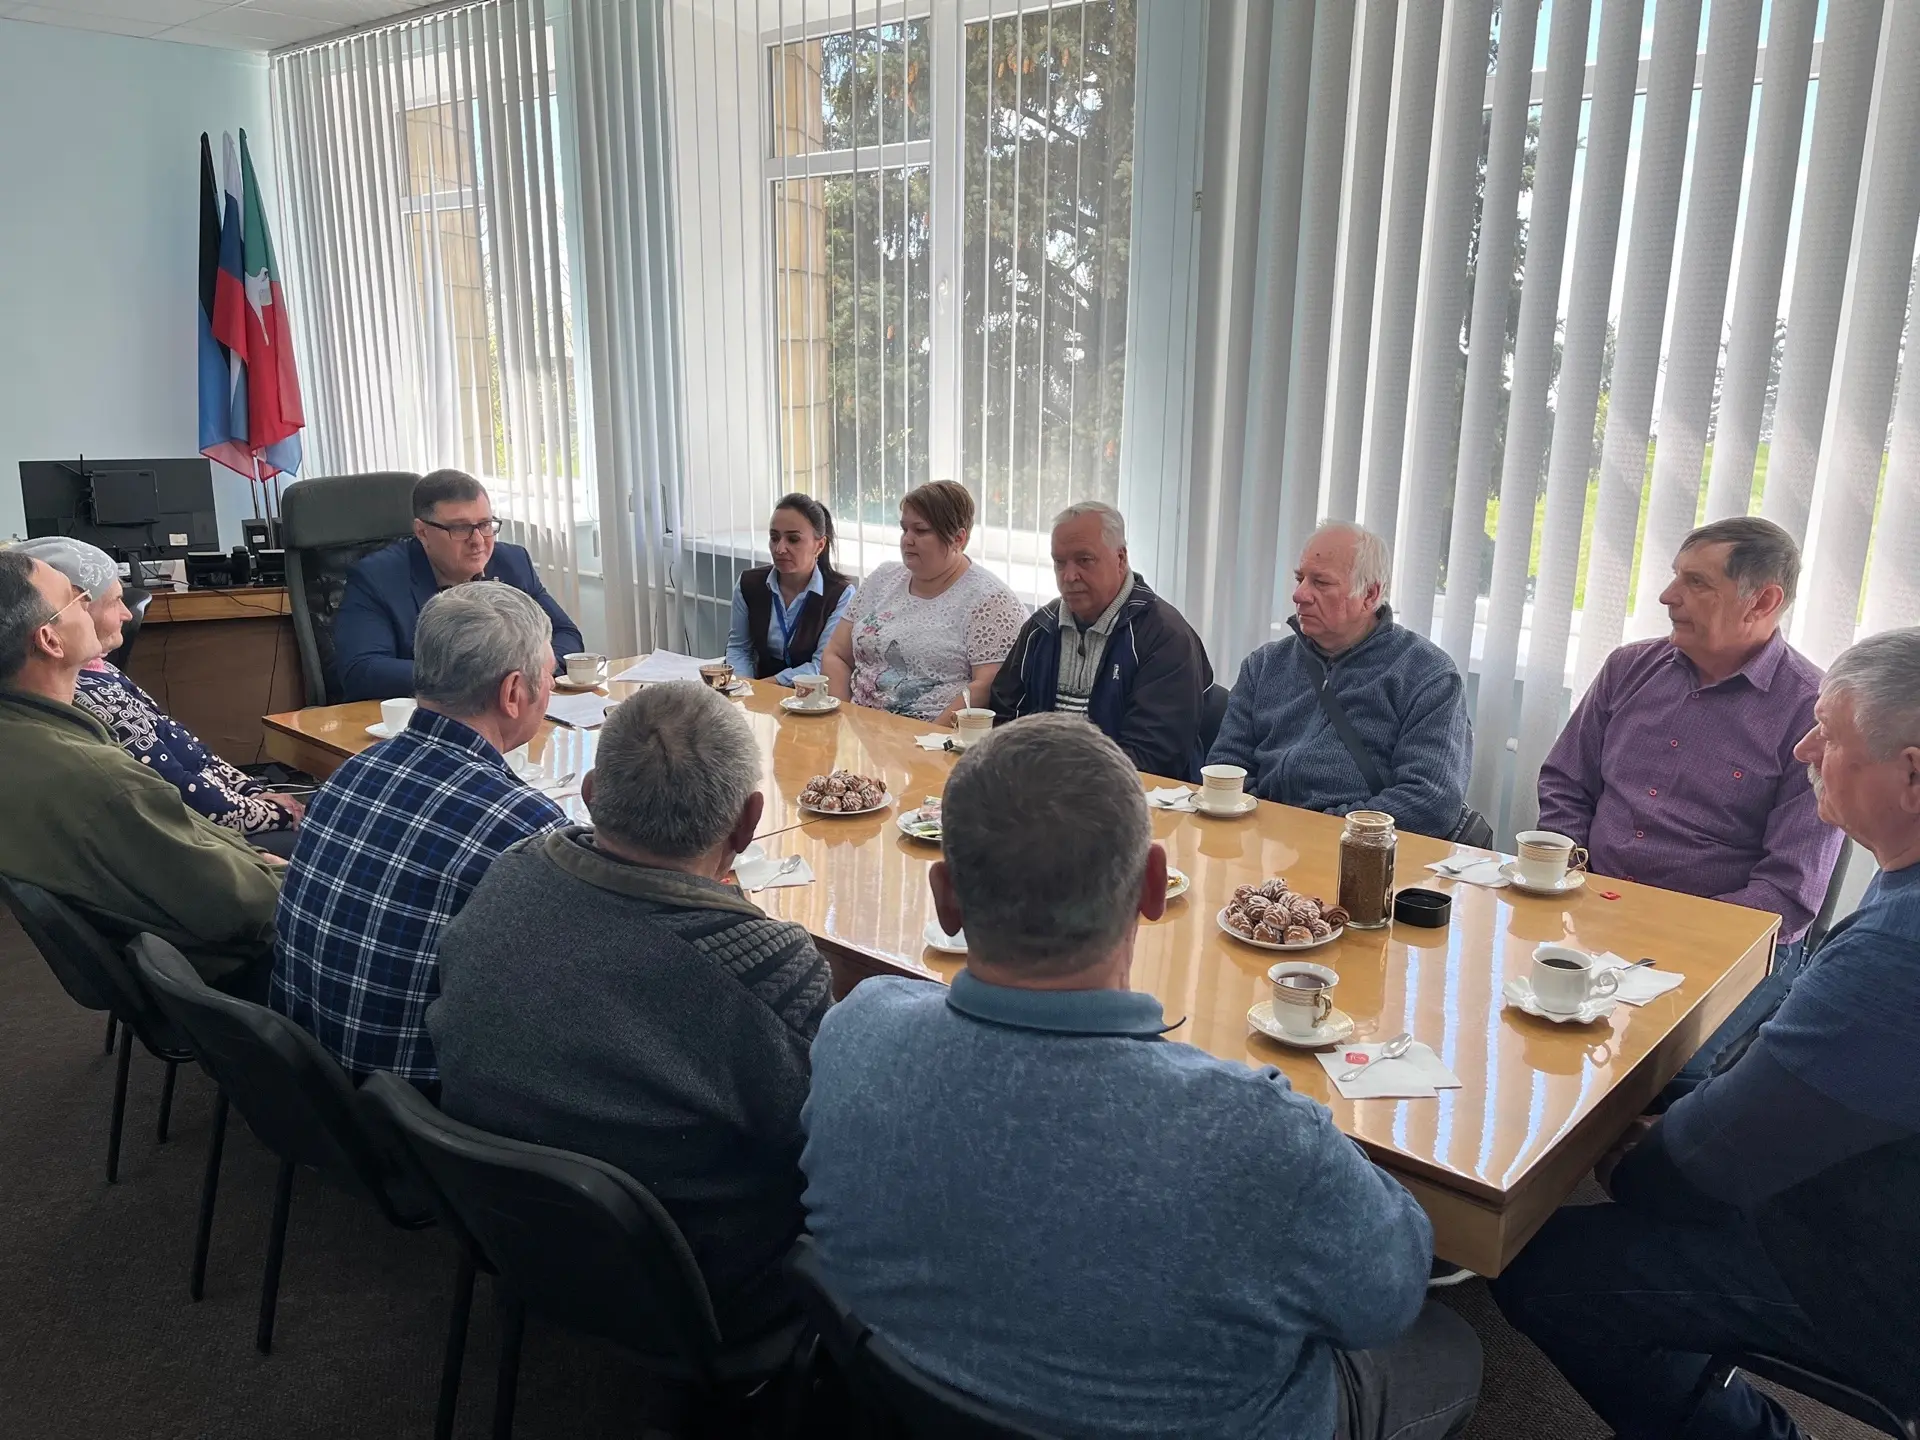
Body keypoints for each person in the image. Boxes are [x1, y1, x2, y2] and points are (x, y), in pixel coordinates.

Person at [800, 714, 1481, 1440]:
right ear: (1154, 886)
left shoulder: (854, 1032)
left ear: (944, 897)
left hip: (901, 1406)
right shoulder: (1261, 1136)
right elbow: (1389, 1294)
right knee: (1450, 1343)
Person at [1493, 626, 1920, 1439]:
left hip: (1865, 1275)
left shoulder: (1897, 953)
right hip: (1857, 1195)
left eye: (1829, 735)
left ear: (1912, 775)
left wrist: (1625, 1159)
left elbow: (1703, 1165)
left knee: (1540, 1266)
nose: (1803, 750)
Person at [430, 681, 832, 1342]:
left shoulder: (510, 874)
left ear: (591, 794)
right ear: (749, 820)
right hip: (706, 1292)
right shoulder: (766, 967)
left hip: (511, 1239)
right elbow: (826, 1153)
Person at [1538, 517, 1844, 1089]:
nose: (1667, 596)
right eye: (1676, 576)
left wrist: (1659, 932)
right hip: (1594, 907)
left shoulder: (1812, 713)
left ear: (1763, 601)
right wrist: (1573, 876)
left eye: (1697, 583)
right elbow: (1565, 783)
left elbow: (1788, 891)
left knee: (1656, 1073)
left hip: (1725, 942)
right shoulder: (1629, 668)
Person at [273, 583, 566, 1085]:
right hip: (418, 1108)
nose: (553, 687)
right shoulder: (526, 825)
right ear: (513, 693)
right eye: (550, 674)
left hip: (306, 1081)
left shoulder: (351, 771)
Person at [0, 551, 281, 994]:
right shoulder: (105, 780)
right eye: (74, 597)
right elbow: (249, 906)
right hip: (237, 968)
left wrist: (254, 860)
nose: (87, 601)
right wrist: (282, 872)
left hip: (170, 957)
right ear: (50, 640)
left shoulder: (26, 737)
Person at [16, 536, 304, 855]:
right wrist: (275, 814)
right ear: (51, 633)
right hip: (207, 836)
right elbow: (178, 792)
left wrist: (253, 792)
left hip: (222, 822)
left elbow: (190, 750)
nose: (127, 614)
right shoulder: (80, 695)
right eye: (111, 602)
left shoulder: (102, 669)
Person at [1207, 522, 1472, 839]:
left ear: (1369, 594)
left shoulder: (1427, 676)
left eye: (1320, 582)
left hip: (1360, 855)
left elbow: (1431, 802)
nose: (1299, 594)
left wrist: (1320, 831)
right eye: (1300, 578)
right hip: (1261, 847)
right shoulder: (1264, 665)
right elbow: (1225, 770)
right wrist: (1266, 833)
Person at [988, 501, 1214, 782]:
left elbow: (1152, 757)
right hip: (1039, 788)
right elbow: (1003, 719)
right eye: (1059, 563)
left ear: (1120, 559)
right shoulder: (1041, 628)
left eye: (1084, 560)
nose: (1069, 576)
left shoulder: (1164, 637)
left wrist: (1059, 778)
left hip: (1130, 796)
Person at [332, 469, 583, 701]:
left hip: (509, 710)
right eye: (461, 528)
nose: (478, 541)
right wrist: (479, 677)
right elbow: (363, 670)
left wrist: (529, 672)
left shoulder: (513, 563)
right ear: (422, 532)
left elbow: (566, 635)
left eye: (485, 524)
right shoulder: (378, 577)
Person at [821, 480, 1026, 724]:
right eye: (904, 529)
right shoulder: (882, 578)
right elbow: (836, 654)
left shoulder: (990, 601)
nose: (907, 540)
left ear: (958, 538)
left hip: (933, 737)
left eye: (920, 531)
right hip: (856, 730)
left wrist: (928, 738)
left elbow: (984, 686)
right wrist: (841, 719)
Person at [725, 492, 856, 685]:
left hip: (812, 695)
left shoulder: (840, 595)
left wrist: (766, 687)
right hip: (754, 691)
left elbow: (823, 664)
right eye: (774, 537)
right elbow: (739, 648)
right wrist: (743, 685)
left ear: (819, 545)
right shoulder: (749, 584)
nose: (780, 549)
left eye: (793, 539)